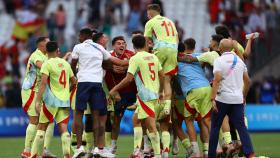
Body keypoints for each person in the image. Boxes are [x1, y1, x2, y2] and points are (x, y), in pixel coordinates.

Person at [71, 28, 128, 158]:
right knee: (99, 117)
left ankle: (79, 148)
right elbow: (117, 62)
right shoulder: (100, 48)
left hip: (83, 83)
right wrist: (137, 59)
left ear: (83, 36)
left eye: (79, 35)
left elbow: (72, 64)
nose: (78, 37)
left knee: (79, 114)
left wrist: (75, 76)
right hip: (97, 84)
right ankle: (98, 148)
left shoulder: (78, 47)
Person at [109, 35, 164, 158]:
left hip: (146, 95)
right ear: (145, 44)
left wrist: (114, 89)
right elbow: (162, 75)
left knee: (150, 125)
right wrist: (160, 91)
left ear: (133, 46)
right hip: (152, 94)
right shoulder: (153, 57)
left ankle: (158, 154)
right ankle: (137, 152)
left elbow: (128, 79)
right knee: (136, 120)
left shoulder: (136, 58)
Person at [208, 39, 254, 158]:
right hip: (237, 100)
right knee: (241, 127)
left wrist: (213, 99)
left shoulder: (219, 60)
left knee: (215, 128)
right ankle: (250, 154)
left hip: (222, 99)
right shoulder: (239, 60)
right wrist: (243, 96)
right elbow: (248, 81)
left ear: (220, 48)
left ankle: (211, 155)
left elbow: (217, 79)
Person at [30, 41, 76, 158]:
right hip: (64, 101)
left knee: (41, 128)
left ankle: (33, 155)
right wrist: (67, 91)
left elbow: (43, 83)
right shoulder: (65, 64)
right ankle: (67, 156)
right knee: (64, 129)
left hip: (51, 101)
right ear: (57, 50)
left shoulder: (47, 64)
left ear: (47, 51)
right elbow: (74, 81)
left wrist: (37, 101)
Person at [144, 4, 178, 155]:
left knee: (155, 75)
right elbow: (176, 38)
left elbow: (145, 42)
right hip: (173, 49)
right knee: (167, 79)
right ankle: (166, 106)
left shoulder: (150, 22)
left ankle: (155, 100)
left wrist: (144, 56)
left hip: (161, 48)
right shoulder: (170, 21)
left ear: (151, 12)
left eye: (147, 13)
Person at [21, 37, 57, 158]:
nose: (50, 44)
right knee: (34, 120)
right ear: (42, 46)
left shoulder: (47, 55)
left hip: (42, 92)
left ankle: (45, 150)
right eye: (48, 43)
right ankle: (27, 150)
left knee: (49, 120)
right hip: (31, 91)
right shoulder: (35, 55)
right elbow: (42, 66)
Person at [177, 38, 212, 157]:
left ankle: (195, 152)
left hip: (193, 90)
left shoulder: (176, 60)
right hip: (207, 87)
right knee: (206, 120)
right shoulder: (200, 56)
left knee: (189, 120)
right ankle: (211, 150)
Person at [104, 36, 137, 153]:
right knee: (116, 119)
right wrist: (113, 91)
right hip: (118, 93)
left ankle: (143, 147)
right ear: (113, 46)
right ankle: (113, 145)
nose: (122, 45)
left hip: (133, 92)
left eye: (123, 43)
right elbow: (107, 76)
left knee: (141, 119)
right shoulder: (108, 57)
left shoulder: (131, 55)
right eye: (119, 43)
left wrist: (126, 65)